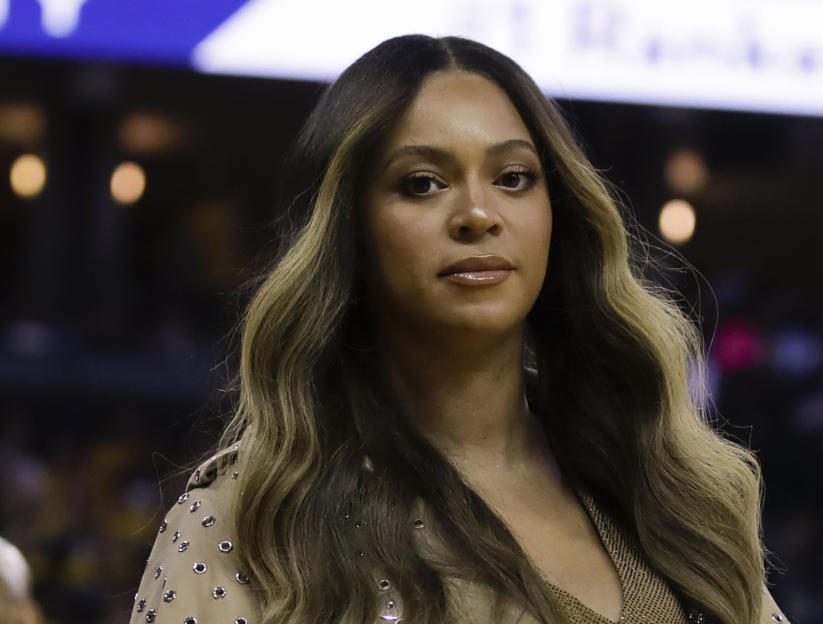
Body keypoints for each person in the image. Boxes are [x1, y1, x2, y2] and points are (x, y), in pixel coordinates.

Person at [130, 34, 789, 624]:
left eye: (513, 178)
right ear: (347, 234)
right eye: (421, 184)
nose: (477, 213)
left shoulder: (670, 494)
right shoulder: (249, 517)